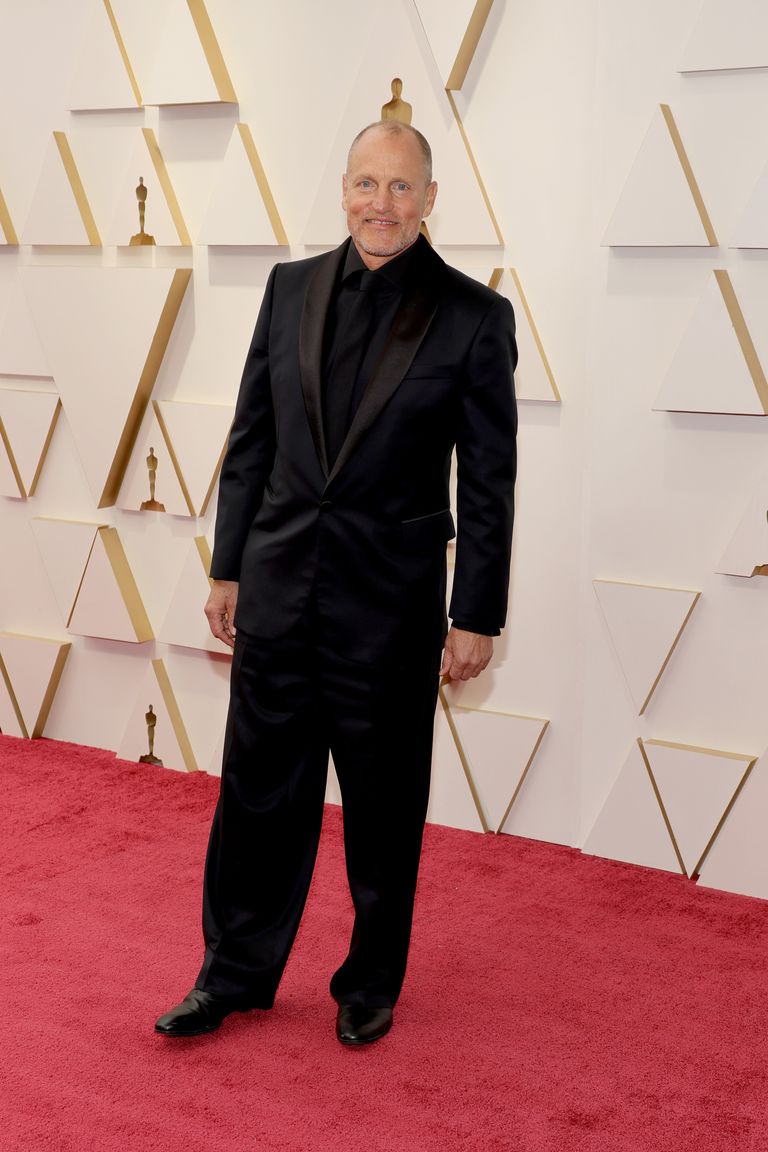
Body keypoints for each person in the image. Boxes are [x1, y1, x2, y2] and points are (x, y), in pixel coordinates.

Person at [155, 120, 517, 1046]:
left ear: (430, 199)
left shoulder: (474, 316)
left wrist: (474, 614)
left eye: (399, 187)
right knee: (256, 796)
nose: (379, 204)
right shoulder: (289, 287)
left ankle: (369, 983)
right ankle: (230, 974)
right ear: (344, 189)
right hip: (278, 592)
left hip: (389, 608)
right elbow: (252, 438)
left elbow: (488, 480)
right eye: (365, 183)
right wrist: (229, 564)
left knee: (383, 809)